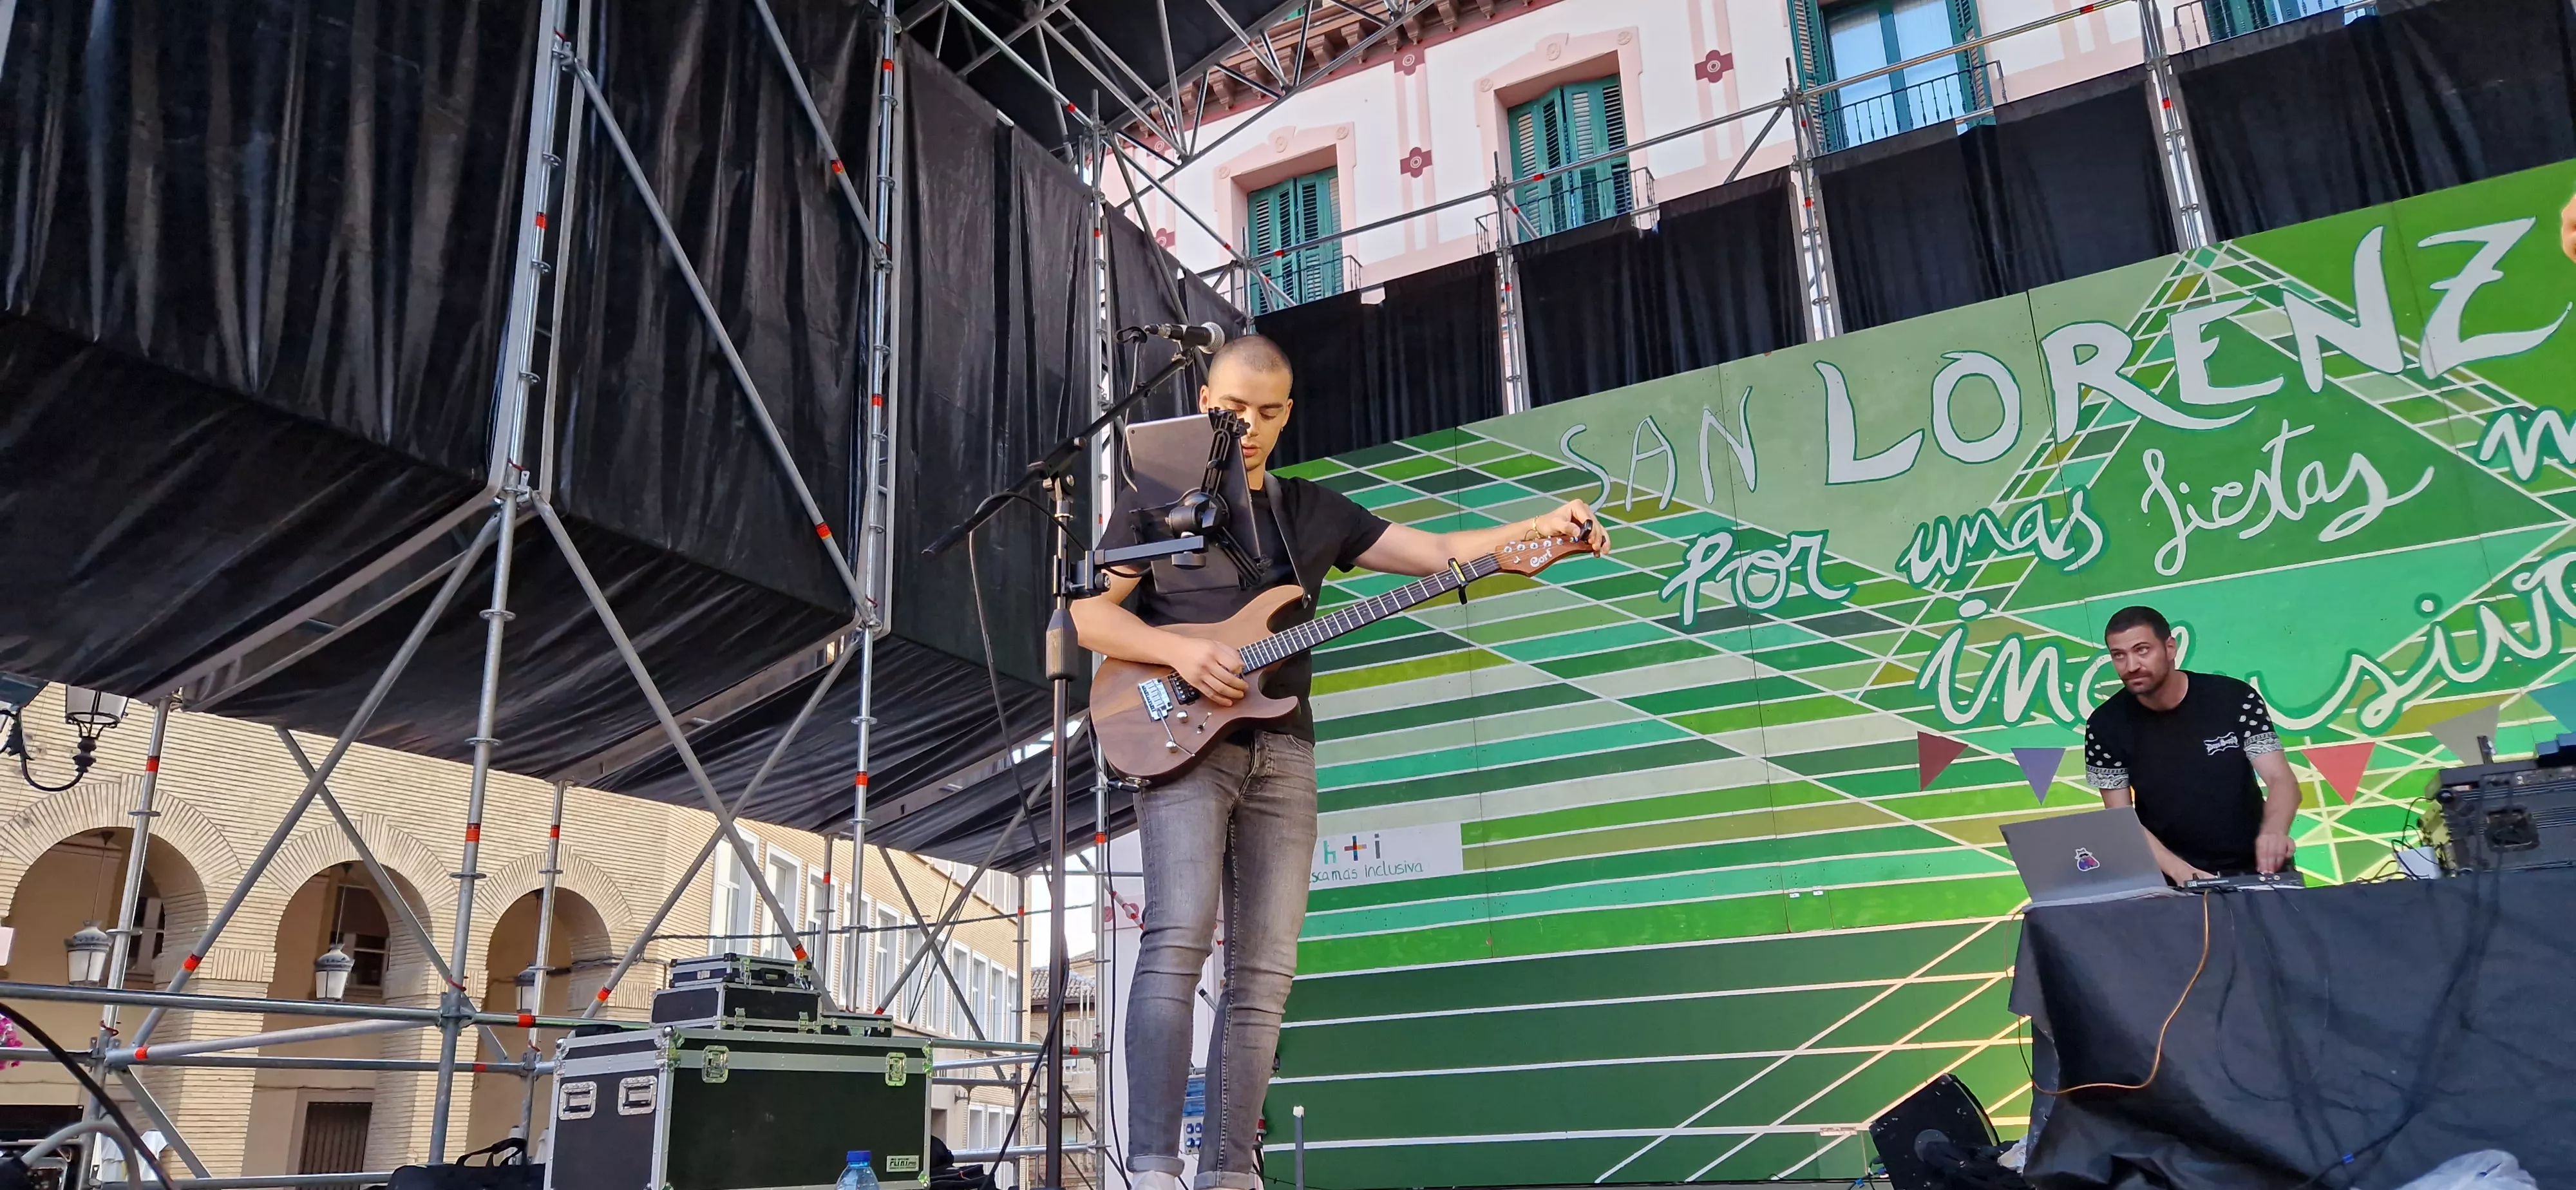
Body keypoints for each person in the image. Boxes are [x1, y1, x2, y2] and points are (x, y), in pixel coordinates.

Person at [1073, 334, 1607, 1190]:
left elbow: (1439, 555)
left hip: (1284, 751)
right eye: (1231, 408)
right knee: (1175, 943)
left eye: (1267, 411)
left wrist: (1538, 527)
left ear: (1286, 417)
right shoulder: (1156, 502)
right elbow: (1089, 621)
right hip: (1177, 742)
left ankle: (1229, 1173)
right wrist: (1178, 653)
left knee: (1266, 971)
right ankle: (1150, 1170)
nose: (1246, 424)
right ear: (1204, 403)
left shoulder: (1315, 511)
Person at [2083, 605, 2303, 883]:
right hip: (2172, 880)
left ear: (2170, 648)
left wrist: (2274, 831)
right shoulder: (2104, 725)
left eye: (2142, 650)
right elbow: (2121, 819)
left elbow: (2281, 779)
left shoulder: (2234, 698)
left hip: (2260, 869)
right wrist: (2181, 873)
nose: (2131, 666)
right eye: (2119, 656)